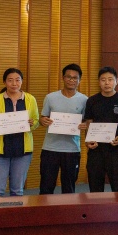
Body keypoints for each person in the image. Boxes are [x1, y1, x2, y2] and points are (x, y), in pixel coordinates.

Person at [0, 68, 40, 197]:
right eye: (10, 80)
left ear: (22, 81)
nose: (14, 83)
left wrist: (33, 123)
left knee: (17, 190)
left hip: (23, 150)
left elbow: (36, 121)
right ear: (4, 82)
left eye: (17, 80)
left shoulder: (30, 99)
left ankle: (15, 211)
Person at [38, 63, 88, 194]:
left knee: (69, 187)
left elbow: (86, 121)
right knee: (46, 186)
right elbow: (43, 118)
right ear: (63, 78)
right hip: (50, 148)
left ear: (79, 80)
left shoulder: (84, 100)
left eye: (75, 78)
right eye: (68, 77)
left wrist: (85, 125)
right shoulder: (50, 97)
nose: (71, 80)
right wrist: (43, 120)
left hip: (72, 149)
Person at [84, 66, 118, 192]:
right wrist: (88, 140)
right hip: (96, 149)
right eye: (103, 80)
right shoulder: (92, 100)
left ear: (116, 81)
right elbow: (89, 122)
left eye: (110, 79)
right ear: (99, 82)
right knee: (95, 188)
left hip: (116, 149)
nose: (107, 83)